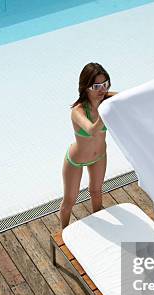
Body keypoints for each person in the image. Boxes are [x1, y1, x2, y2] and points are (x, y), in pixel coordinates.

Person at [59, 62, 116, 229]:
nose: (102, 90)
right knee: (70, 200)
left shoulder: (108, 99)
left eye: (105, 84)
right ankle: (64, 233)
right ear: (85, 87)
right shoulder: (78, 111)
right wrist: (105, 112)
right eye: (97, 86)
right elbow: (91, 130)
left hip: (99, 156)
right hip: (76, 159)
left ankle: (100, 228)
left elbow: (134, 97)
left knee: (97, 192)